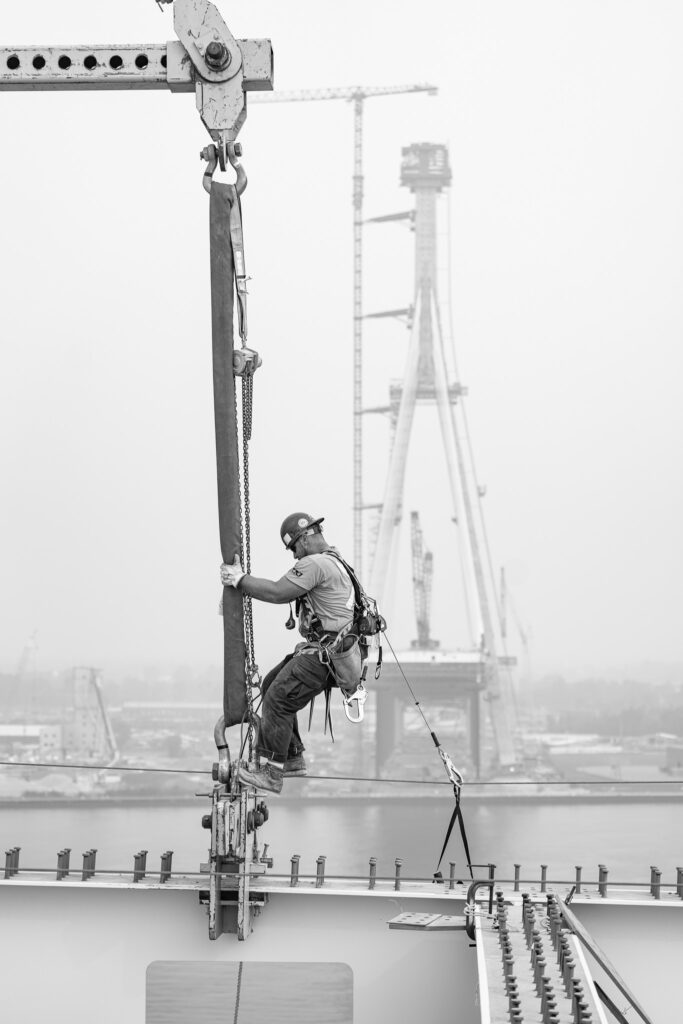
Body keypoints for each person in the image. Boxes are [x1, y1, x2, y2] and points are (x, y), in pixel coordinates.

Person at [220, 513, 362, 794]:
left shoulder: (315, 563)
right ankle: (293, 757)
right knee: (271, 684)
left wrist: (240, 580)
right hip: (331, 652)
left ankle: (271, 773)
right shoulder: (336, 561)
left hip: (325, 654)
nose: (295, 556)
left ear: (305, 539)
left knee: (278, 698)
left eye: (294, 548)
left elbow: (277, 592)